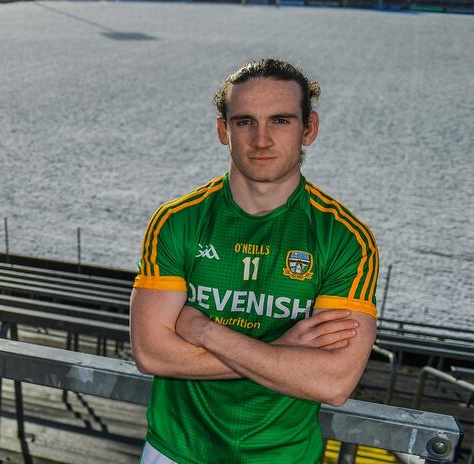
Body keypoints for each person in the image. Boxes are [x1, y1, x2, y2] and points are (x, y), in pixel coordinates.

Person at [129, 58, 379, 463]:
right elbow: (153, 354)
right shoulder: (177, 221)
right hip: (176, 450)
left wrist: (207, 332)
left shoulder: (346, 239)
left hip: (284, 457)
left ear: (308, 129)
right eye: (245, 122)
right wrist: (281, 351)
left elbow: (333, 381)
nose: (261, 139)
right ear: (223, 131)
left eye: (280, 120)